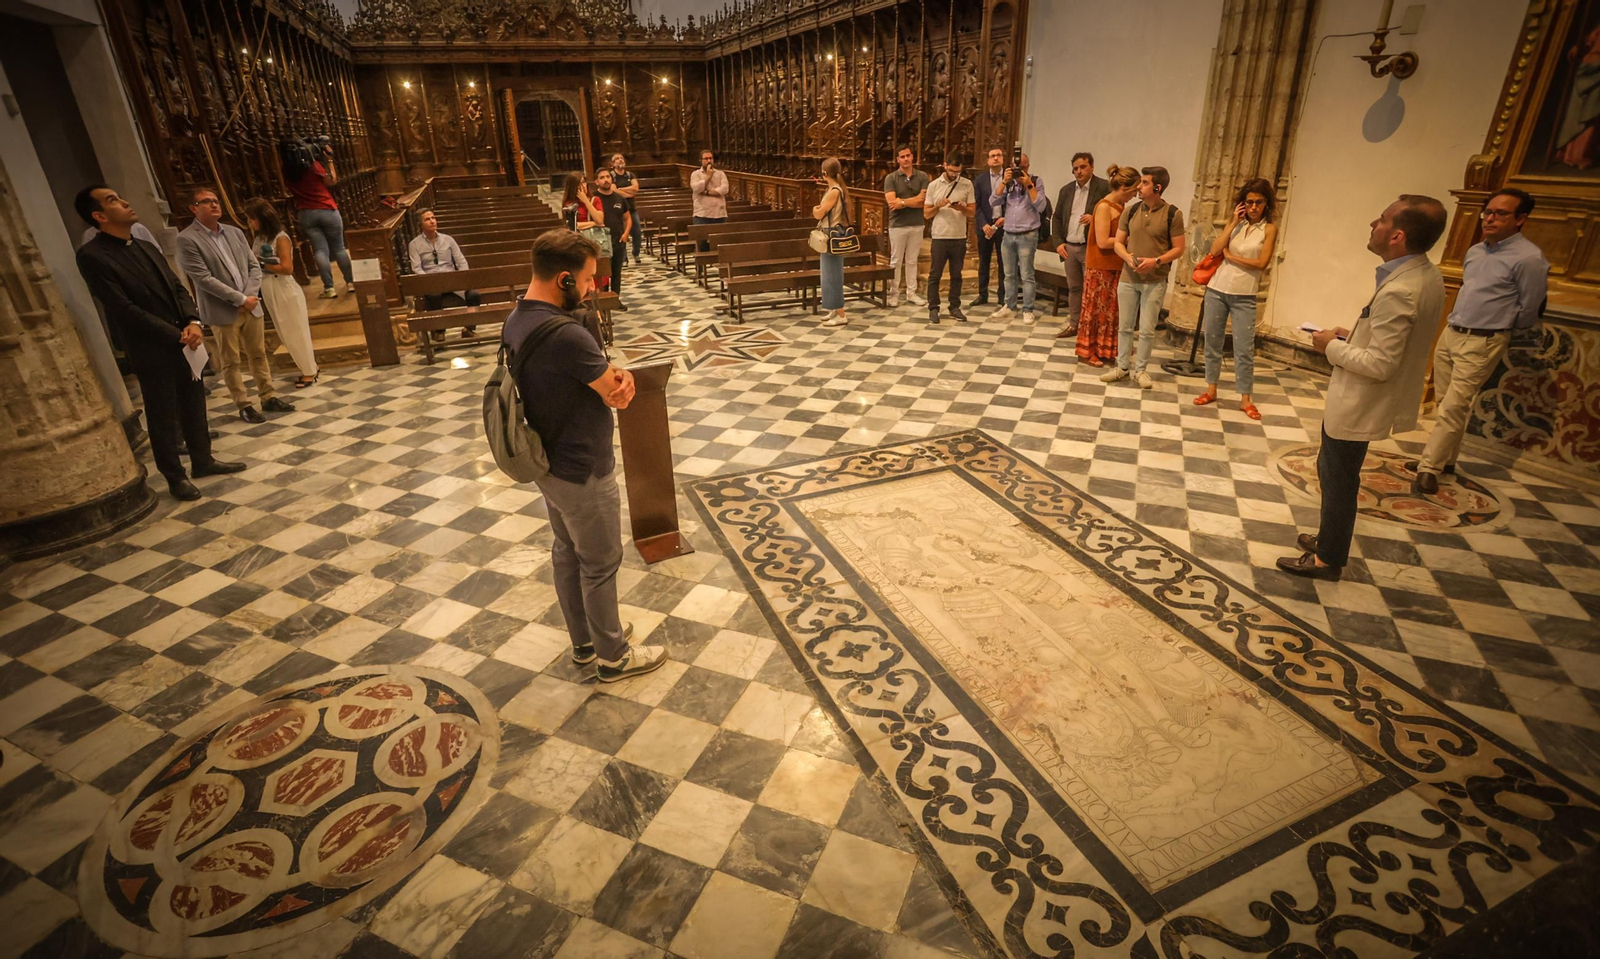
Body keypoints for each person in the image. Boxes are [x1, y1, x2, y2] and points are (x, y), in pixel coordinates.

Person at [502, 229, 665, 681]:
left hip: (548, 464)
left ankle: (587, 641)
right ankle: (614, 657)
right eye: (589, 278)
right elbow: (617, 394)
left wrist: (615, 375)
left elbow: (596, 375)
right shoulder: (567, 335)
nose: (593, 287)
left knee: (567, 553)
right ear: (564, 279)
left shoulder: (518, 317)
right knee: (600, 565)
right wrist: (620, 380)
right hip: (584, 468)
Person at [1277, 195, 1447, 581]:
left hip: (1361, 400)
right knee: (1335, 471)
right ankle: (1328, 540)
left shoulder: (1399, 290)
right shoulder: (1425, 273)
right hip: (1369, 398)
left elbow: (1381, 364)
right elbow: (1391, 343)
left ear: (1398, 235)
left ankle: (1328, 559)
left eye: (1383, 219)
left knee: (1337, 477)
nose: (1374, 222)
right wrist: (1350, 335)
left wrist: (1331, 346)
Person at [74, 185, 245, 500]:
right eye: (113, 200)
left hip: (185, 338)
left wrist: (193, 322)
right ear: (98, 215)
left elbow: (178, 287)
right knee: (163, 412)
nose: (126, 201)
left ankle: (203, 460)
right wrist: (176, 333)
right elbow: (122, 308)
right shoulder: (92, 256)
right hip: (151, 347)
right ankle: (174, 476)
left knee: (194, 402)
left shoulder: (144, 246)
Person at [1409, 188, 1549, 495]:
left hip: (1484, 340)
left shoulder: (1529, 258)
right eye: (1489, 212)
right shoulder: (1475, 251)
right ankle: (1446, 461)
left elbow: (1530, 307)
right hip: (1453, 333)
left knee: (1454, 407)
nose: (1490, 219)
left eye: (1501, 213)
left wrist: (1501, 330)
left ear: (1521, 218)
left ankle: (1428, 467)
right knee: (1447, 404)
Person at [178, 188, 294, 424]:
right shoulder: (186, 239)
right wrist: (240, 300)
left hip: (251, 305)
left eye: (216, 201)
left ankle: (268, 396)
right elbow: (203, 278)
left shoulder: (235, 232)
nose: (214, 205)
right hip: (222, 309)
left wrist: (249, 297)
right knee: (231, 361)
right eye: (206, 202)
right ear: (193, 208)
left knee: (259, 354)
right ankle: (244, 403)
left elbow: (253, 266)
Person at [1194, 178, 1278, 419]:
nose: (1253, 207)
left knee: (1243, 347)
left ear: (1266, 204)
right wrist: (1232, 222)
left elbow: (1261, 263)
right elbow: (1215, 250)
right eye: (1249, 202)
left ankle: (1245, 399)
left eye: (1258, 203)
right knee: (1212, 341)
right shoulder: (1237, 225)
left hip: (1244, 294)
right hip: (1217, 289)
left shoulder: (1269, 229)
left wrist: (1231, 257)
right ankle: (1211, 388)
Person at [1104, 166, 1187, 389]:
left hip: (1155, 279)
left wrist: (1156, 261)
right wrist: (1127, 257)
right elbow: (1119, 242)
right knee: (1125, 325)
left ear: (1157, 187)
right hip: (1128, 278)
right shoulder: (1130, 211)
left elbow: (1179, 249)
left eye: (1144, 183)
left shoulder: (1173, 214)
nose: (1139, 187)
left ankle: (1140, 370)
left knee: (1148, 328)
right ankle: (1121, 367)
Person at [243, 197, 318, 389]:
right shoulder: (260, 238)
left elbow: (287, 268)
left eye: (252, 219)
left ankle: (310, 371)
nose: (250, 223)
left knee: (295, 331)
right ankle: (308, 366)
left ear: (263, 217)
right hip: (268, 287)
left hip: (283, 288)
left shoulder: (281, 238)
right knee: (285, 332)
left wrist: (260, 263)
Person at [1077, 165, 1139, 368]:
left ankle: (1107, 349)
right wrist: (1129, 239)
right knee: (1097, 311)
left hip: (1116, 266)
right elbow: (1103, 241)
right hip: (1100, 267)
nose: (1135, 194)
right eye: (1134, 190)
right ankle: (1090, 350)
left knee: (1111, 312)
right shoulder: (1104, 207)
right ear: (1124, 187)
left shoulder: (1121, 207)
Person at [286, 142, 353, 298]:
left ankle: (329, 288)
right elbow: (332, 181)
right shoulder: (313, 165)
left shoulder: (288, 170)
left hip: (306, 213)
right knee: (339, 248)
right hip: (327, 209)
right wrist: (329, 160)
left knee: (320, 250)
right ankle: (350, 283)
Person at [1052, 152, 1109, 339]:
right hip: (1070, 247)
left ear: (1092, 166)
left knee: (1092, 291)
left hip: (1090, 247)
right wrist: (1058, 242)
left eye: (1083, 167)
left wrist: (1096, 218)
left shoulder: (1103, 187)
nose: (1079, 171)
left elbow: (1114, 211)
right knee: (1074, 288)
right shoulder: (1066, 190)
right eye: (1075, 168)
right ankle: (1074, 324)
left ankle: (1090, 328)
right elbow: (1057, 217)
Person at [409, 209, 482, 341]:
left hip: (452, 281)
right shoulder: (414, 245)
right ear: (420, 224)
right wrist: (430, 280)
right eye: (427, 219)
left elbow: (461, 261)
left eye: (433, 218)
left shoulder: (448, 240)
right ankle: (439, 331)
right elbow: (416, 268)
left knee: (474, 295)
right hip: (432, 282)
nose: (432, 221)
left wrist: (462, 278)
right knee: (433, 296)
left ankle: (469, 328)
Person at [991, 152, 1046, 324]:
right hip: (1008, 234)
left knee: (1027, 274)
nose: (1019, 170)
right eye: (1016, 167)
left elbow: (1042, 206)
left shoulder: (1036, 181)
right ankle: (1009, 305)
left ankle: (1028, 309)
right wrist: (1004, 181)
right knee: (1008, 274)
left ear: (1027, 167)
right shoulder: (1008, 184)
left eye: (1022, 167)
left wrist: (1028, 184)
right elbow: (992, 201)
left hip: (1027, 234)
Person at [923, 151, 974, 324]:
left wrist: (961, 208)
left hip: (959, 236)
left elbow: (972, 212)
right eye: (952, 171)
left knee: (956, 275)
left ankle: (954, 306)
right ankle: (933, 308)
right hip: (939, 236)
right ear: (945, 165)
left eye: (957, 172)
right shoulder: (934, 185)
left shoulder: (967, 184)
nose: (954, 174)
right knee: (935, 274)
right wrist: (939, 205)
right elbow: (927, 214)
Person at [883, 146, 931, 307]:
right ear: (898, 159)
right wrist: (913, 201)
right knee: (896, 260)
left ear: (913, 156)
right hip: (897, 225)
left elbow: (923, 201)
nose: (906, 159)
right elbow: (892, 203)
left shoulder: (923, 176)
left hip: (917, 223)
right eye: (902, 156)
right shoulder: (891, 178)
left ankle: (912, 293)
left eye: (908, 155)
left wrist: (902, 202)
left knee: (912, 260)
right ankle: (894, 293)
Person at [813, 157, 851, 329]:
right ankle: (834, 309)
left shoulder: (835, 190)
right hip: (829, 234)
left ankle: (841, 314)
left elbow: (819, 214)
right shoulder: (834, 188)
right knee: (827, 275)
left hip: (832, 234)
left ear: (824, 173)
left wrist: (815, 209)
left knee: (833, 275)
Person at [971, 147, 1008, 309]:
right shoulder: (980, 180)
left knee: (1003, 261)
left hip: (1004, 225)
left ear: (1002, 159)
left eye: (998, 155)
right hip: (986, 224)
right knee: (984, 261)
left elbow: (1014, 202)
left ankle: (1002, 295)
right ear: (987, 160)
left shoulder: (1010, 178)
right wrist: (983, 224)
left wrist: (1006, 218)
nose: (995, 158)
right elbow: (976, 205)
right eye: (992, 156)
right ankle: (982, 294)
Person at [592, 167, 633, 309]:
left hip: (618, 241)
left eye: (608, 177)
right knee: (603, 274)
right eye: (602, 178)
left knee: (616, 272)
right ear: (596, 182)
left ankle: (615, 299)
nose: (606, 180)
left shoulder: (619, 198)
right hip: (600, 243)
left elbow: (627, 218)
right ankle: (604, 301)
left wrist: (626, 234)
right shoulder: (594, 198)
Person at [689, 149, 728, 251]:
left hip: (719, 214)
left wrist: (706, 192)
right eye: (706, 159)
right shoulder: (695, 174)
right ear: (701, 160)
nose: (709, 161)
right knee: (702, 246)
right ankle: (702, 267)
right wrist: (708, 177)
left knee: (719, 245)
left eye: (710, 158)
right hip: (702, 215)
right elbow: (697, 189)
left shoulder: (721, 174)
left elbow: (724, 189)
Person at [609, 153, 643, 263]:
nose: (620, 160)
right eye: (617, 159)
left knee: (637, 232)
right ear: (612, 164)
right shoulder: (611, 176)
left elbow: (636, 188)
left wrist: (621, 189)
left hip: (631, 209)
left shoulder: (630, 175)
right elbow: (614, 190)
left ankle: (636, 253)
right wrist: (628, 193)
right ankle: (624, 257)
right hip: (618, 210)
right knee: (621, 234)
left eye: (621, 158)